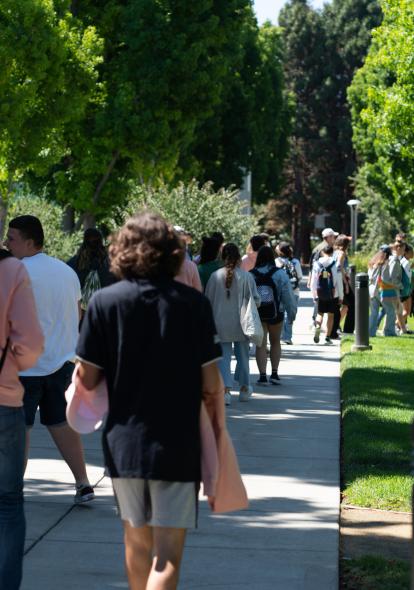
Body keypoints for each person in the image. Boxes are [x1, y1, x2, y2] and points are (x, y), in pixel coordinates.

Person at [75, 212, 223, 590]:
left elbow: (88, 379)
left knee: (135, 543)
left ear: (122, 251)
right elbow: (211, 383)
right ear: (172, 253)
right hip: (178, 441)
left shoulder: (105, 303)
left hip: (124, 442)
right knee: (168, 554)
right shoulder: (193, 305)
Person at [5, 215, 95, 504]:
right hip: (62, 362)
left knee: (19, 428)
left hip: (24, 366)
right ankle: (83, 483)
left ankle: (12, 488)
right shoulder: (65, 271)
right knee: (60, 424)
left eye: (12, 238)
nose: (6, 242)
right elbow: (78, 313)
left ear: (30, 242)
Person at [0, 249, 44, 590]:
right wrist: (12, 365)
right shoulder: (11, 270)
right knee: (8, 504)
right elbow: (30, 344)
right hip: (2, 399)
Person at [206, 243, 260, 405]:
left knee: (224, 358)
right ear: (238, 258)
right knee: (243, 357)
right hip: (243, 324)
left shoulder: (215, 276)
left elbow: (207, 300)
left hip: (220, 324)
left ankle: (225, 392)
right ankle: (244, 388)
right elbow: (256, 300)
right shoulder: (246, 277)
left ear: (223, 257)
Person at [251, 246, 297, 384]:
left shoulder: (251, 274)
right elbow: (288, 296)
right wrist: (292, 314)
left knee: (261, 345)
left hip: (258, 314)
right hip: (276, 313)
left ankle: (262, 376)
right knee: (276, 342)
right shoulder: (280, 274)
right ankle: (274, 374)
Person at [67, 228, 114, 314]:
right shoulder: (111, 263)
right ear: (101, 241)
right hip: (105, 310)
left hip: (81, 312)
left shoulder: (74, 263)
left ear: (84, 242)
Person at [310, 245, 344, 345]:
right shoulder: (335, 263)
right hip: (333, 294)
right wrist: (341, 296)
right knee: (331, 316)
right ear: (332, 252)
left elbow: (313, 281)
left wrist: (314, 295)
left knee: (320, 314)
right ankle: (327, 338)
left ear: (322, 252)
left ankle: (317, 326)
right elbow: (339, 281)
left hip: (320, 293)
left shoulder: (317, 263)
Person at [368, 244, 401, 337]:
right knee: (390, 310)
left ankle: (370, 332)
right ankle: (389, 332)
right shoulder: (385, 263)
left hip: (371, 289)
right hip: (382, 289)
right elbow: (385, 278)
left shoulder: (373, 261)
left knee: (374, 312)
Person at [275, 242, 303, 345]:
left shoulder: (276, 261)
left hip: (279, 291)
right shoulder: (295, 262)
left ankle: (281, 335)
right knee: (290, 314)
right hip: (294, 291)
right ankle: (287, 337)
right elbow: (299, 277)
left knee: (280, 312)